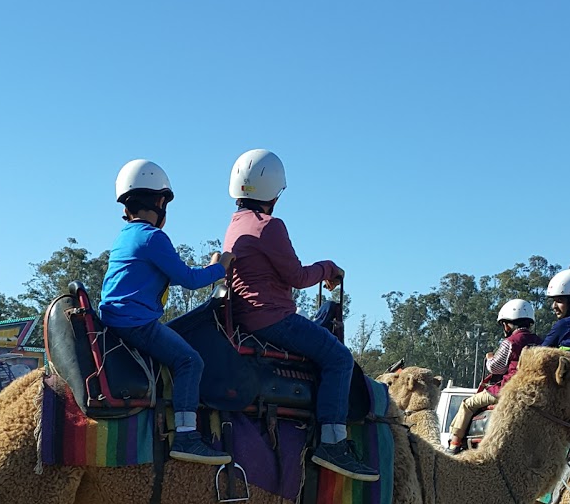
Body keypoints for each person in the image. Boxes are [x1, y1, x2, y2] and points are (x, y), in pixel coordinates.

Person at [223, 149, 377, 482]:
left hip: (244, 318)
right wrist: (328, 268)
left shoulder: (234, 225)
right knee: (339, 358)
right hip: (273, 319)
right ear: (275, 191)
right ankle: (333, 443)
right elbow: (296, 276)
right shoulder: (270, 226)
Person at [98, 159, 233, 464]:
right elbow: (187, 279)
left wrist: (210, 269)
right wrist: (219, 268)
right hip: (137, 324)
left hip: (115, 320)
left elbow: (171, 274)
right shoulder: (152, 237)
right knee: (190, 361)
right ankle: (186, 436)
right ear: (160, 202)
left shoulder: (125, 236)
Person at [448, 299, 540, 453]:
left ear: (507, 324)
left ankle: (454, 443)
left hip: (506, 390)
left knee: (468, 404)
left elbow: (496, 368)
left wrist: (490, 358)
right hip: (530, 392)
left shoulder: (510, 342)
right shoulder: (540, 341)